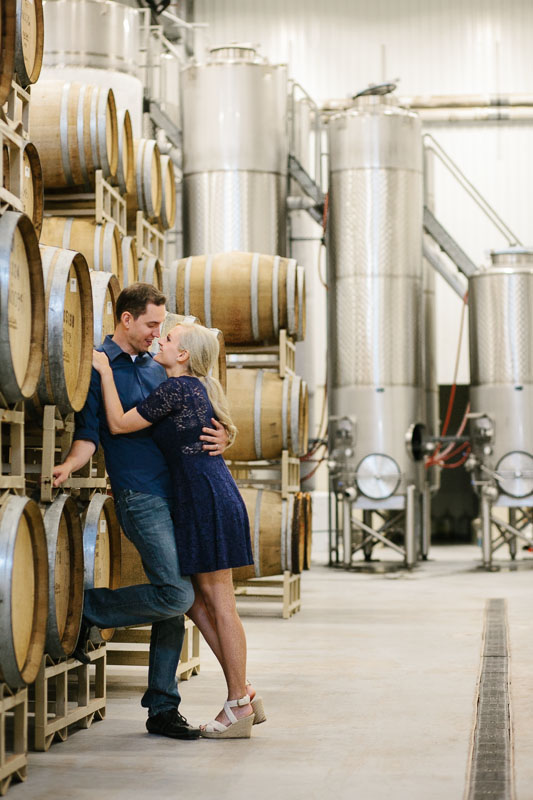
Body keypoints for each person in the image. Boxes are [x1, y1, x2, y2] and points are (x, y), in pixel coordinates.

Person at [53, 283, 229, 741]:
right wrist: (69, 465)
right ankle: (85, 609)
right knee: (175, 595)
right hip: (140, 495)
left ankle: (162, 707)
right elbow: (92, 431)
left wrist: (224, 435)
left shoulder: (160, 367)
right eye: (152, 324)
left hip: (180, 495)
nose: (158, 332)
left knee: (175, 592)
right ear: (126, 319)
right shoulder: (97, 366)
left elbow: (195, 414)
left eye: (162, 326)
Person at [91, 319, 262, 739]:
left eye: (167, 338)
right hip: (202, 495)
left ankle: (238, 703)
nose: (159, 340)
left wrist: (105, 372)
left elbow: (117, 424)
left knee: (219, 604)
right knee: (201, 603)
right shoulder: (187, 387)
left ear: (182, 354)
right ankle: (244, 695)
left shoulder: (175, 387)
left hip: (205, 498)